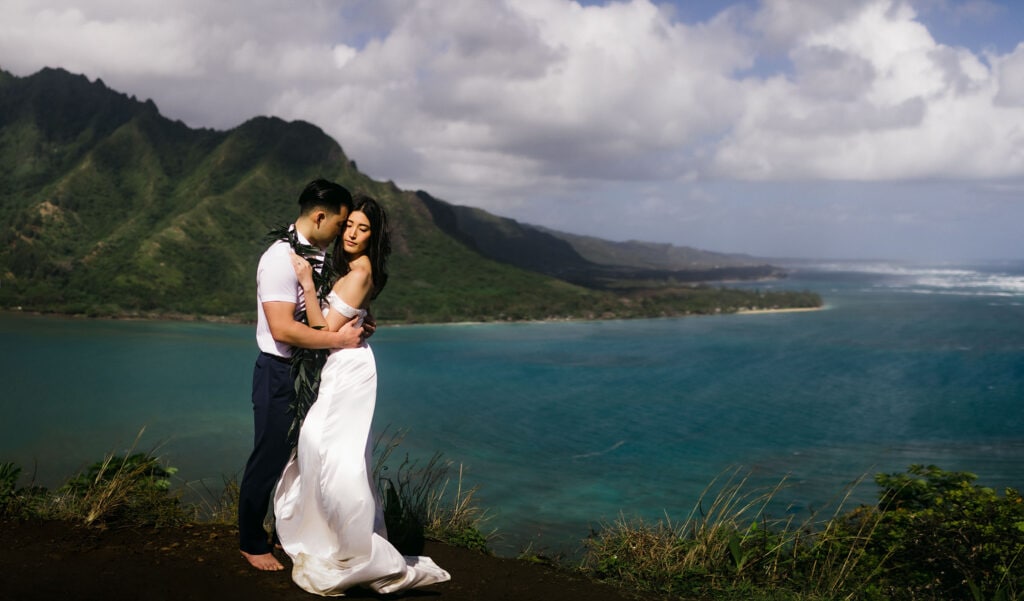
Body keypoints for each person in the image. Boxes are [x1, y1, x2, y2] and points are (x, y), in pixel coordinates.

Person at [273, 194, 451, 595]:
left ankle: (351, 544)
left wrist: (303, 281)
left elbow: (324, 333)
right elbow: (347, 322)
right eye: (349, 225)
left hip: (348, 368)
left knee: (333, 451)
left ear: (373, 236)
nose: (352, 233)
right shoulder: (352, 269)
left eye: (362, 228)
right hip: (345, 363)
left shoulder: (358, 273)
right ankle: (337, 536)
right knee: (326, 449)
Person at [239, 179, 369, 572]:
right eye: (340, 223)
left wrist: (353, 323)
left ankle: (287, 530)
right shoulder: (280, 258)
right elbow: (283, 328)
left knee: (301, 457)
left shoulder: (317, 257)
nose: (343, 232)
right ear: (319, 215)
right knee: (270, 454)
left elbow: (327, 308)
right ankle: (250, 540)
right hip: (278, 372)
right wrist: (336, 339)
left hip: (309, 372)